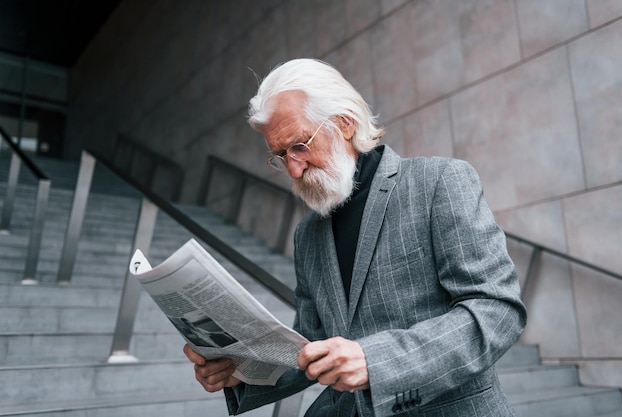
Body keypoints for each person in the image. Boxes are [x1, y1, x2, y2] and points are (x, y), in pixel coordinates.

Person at [183, 58, 527, 417]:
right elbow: (311, 346)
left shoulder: (439, 182)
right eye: (281, 156)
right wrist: (240, 371)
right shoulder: (308, 234)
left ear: (345, 123)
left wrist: (374, 361)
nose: (294, 169)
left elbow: (497, 310)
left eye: (299, 145)